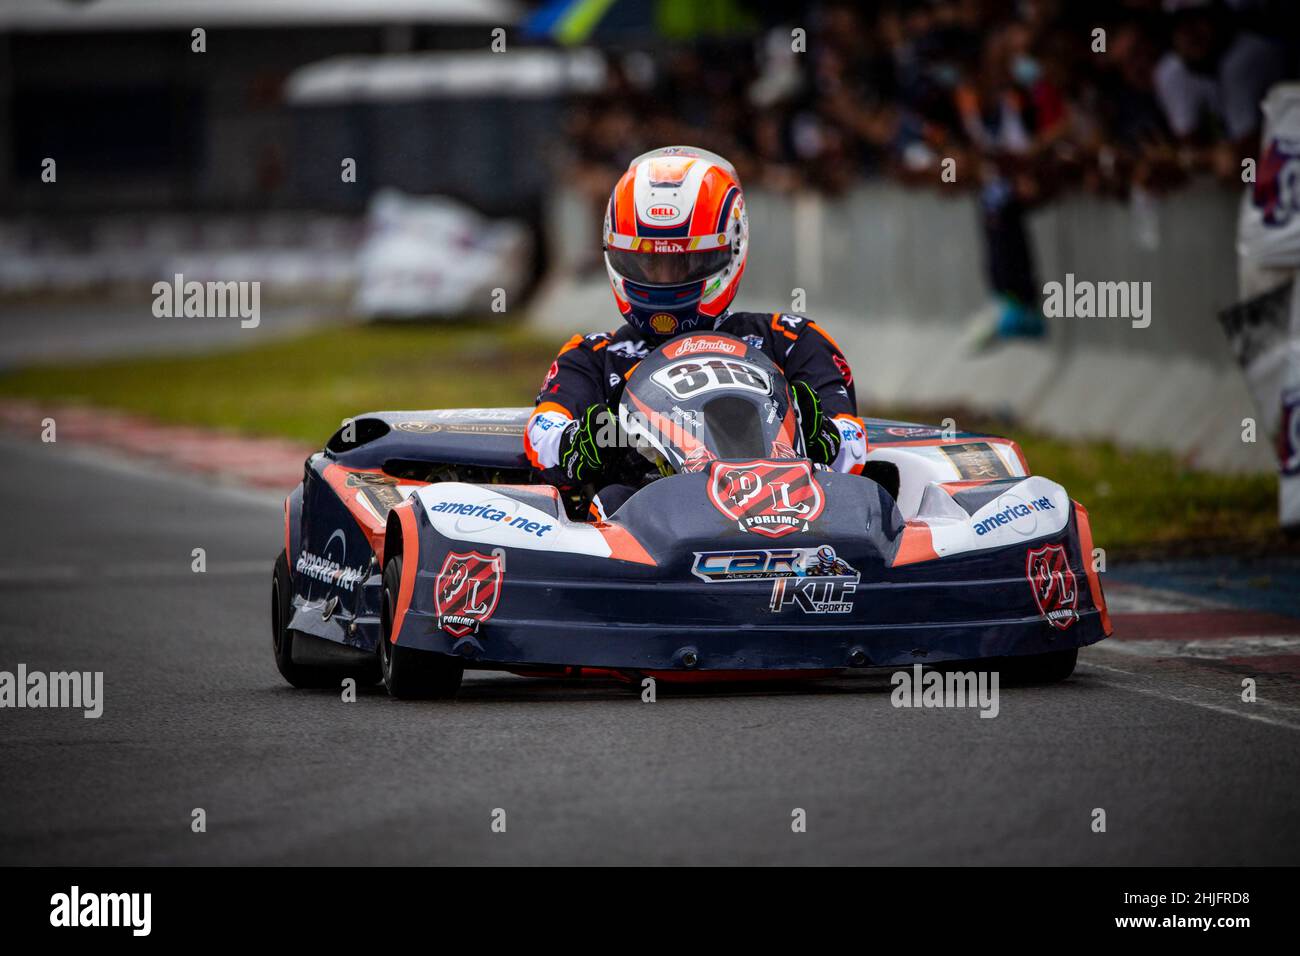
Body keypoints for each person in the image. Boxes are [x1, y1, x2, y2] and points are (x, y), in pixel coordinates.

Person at [524, 145, 867, 516]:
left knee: (859, 502)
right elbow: (543, 435)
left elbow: (853, 444)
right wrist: (587, 442)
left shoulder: (791, 340)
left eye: (685, 261)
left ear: (730, 248)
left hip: (791, 511)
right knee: (610, 502)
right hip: (649, 529)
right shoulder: (595, 357)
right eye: (649, 262)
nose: (666, 278)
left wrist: (820, 437)